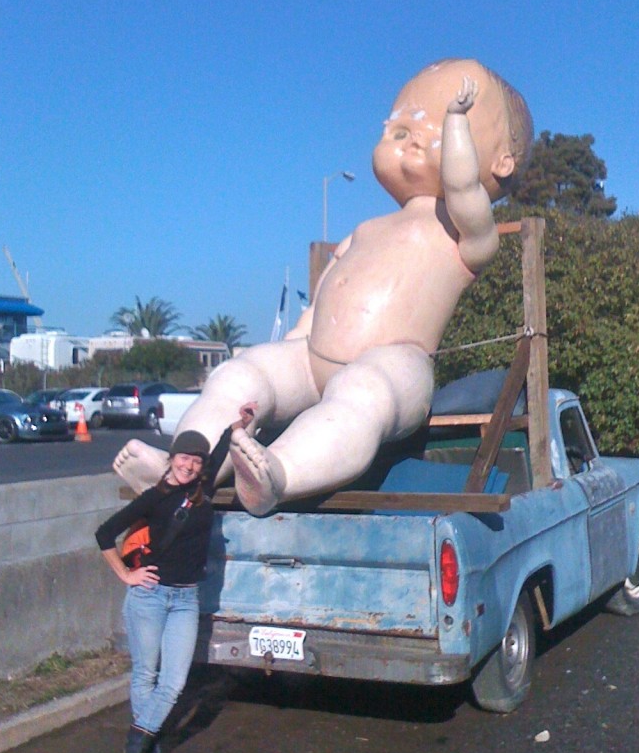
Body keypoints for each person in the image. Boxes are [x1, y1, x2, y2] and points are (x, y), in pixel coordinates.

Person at [114, 58, 533, 515]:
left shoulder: (464, 234)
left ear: (501, 162)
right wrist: (293, 344)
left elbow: (463, 186)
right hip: (312, 359)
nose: (409, 136)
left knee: (364, 394)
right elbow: (326, 296)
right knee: (239, 373)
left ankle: (279, 473)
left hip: (394, 366)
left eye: (437, 124)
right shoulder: (367, 229)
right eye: (398, 127)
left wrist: (454, 124)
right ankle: (185, 465)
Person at [96, 403, 255, 753]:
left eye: (196, 461)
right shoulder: (154, 498)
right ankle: (145, 751)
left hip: (186, 598)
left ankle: (139, 743)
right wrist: (128, 575)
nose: (190, 465)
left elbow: (219, 447)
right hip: (149, 596)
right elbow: (104, 534)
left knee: (174, 681)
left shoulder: (203, 490)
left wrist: (241, 424)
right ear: (172, 460)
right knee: (147, 674)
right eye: (184, 458)